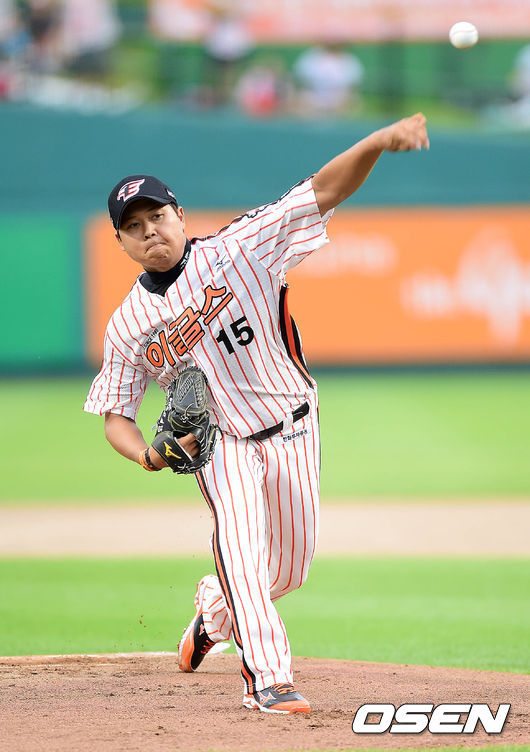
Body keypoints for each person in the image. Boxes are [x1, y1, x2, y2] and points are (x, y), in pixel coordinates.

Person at [84, 113, 429, 715]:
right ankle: (268, 680)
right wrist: (145, 456)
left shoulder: (240, 248)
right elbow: (115, 413)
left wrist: (377, 141)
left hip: (294, 422)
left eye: (156, 216)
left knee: (288, 570)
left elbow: (322, 192)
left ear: (180, 215)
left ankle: (212, 616)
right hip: (220, 446)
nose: (149, 231)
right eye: (132, 227)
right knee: (243, 556)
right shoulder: (127, 324)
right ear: (121, 242)